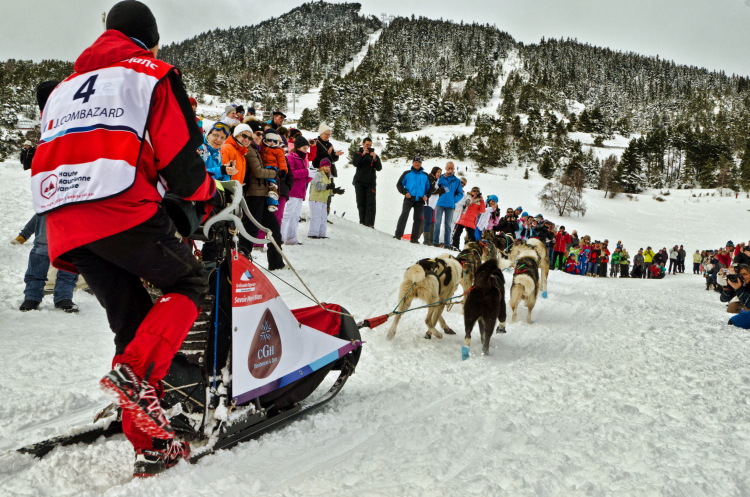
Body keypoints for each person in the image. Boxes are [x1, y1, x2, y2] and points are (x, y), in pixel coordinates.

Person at [31, 1, 222, 476]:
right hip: (118, 207)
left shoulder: (63, 88)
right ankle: (136, 374)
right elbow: (181, 157)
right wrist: (207, 194)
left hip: (63, 219)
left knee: (133, 325)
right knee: (190, 285)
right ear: (150, 38)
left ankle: (150, 442)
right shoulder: (152, 73)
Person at [241, 121, 285, 270]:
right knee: (250, 229)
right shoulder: (250, 150)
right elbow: (258, 172)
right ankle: (242, 262)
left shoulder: (257, 149)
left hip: (262, 193)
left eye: (262, 134)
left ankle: (276, 263)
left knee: (273, 228)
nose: (261, 136)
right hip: (254, 194)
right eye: (258, 134)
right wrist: (275, 172)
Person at [281, 134, 313, 245]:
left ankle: (291, 238)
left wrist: (311, 174)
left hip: (300, 192)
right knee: (287, 214)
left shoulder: (303, 160)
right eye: (304, 148)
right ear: (298, 147)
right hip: (292, 191)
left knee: (295, 216)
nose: (306, 151)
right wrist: (307, 172)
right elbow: (292, 174)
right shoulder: (291, 157)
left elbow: (305, 179)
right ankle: (280, 237)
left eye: (307, 148)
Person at [394, 156, 430, 243]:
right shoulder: (407, 173)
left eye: (419, 162)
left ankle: (414, 238)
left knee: (417, 219)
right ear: (413, 163)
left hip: (420, 200)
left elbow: (429, 188)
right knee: (404, 215)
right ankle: (398, 234)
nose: (417, 164)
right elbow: (399, 184)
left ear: (421, 164)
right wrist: (405, 192)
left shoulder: (425, 175)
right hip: (409, 198)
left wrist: (426, 195)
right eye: (415, 162)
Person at [312, 123, 343, 217]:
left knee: (330, 189)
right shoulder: (315, 143)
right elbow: (314, 157)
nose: (328, 136)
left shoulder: (329, 144)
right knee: (320, 189)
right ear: (321, 133)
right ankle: (318, 212)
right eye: (326, 134)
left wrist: (335, 155)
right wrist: (326, 153)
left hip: (329, 171)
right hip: (319, 170)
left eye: (329, 135)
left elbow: (332, 159)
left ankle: (326, 211)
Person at [309, 159, 345, 239]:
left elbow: (327, 191)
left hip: (324, 200)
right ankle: (313, 233)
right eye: (325, 166)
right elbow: (317, 186)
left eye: (329, 167)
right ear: (321, 166)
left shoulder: (329, 177)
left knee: (323, 218)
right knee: (316, 217)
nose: (327, 168)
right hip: (316, 199)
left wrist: (334, 191)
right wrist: (327, 186)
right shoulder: (317, 174)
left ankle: (322, 234)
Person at [352, 137, 382, 228]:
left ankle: (370, 223)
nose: (368, 146)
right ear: (363, 144)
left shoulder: (374, 155)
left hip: (370, 182)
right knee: (361, 202)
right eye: (367, 144)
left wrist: (375, 158)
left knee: (371, 203)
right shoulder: (358, 153)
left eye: (370, 145)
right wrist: (363, 154)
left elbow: (379, 168)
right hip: (359, 181)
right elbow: (355, 163)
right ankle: (362, 222)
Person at [432, 162, 463, 248]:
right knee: (437, 222)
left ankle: (447, 244)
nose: (450, 170)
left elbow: (460, 193)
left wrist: (454, 200)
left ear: (453, 169)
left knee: (448, 225)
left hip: (450, 205)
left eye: (451, 168)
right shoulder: (441, 177)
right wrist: (444, 176)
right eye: (448, 168)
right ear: (445, 168)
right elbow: (437, 185)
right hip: (439, 203)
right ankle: (435, 242)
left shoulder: (457, 181)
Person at [260, 129, 288, 212]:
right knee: (268, 189)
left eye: (274, 141)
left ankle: (273, 203)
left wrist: (283, 170)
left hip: (272, 168)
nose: (272, 143)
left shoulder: (278, 151)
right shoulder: (261, 147)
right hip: (262, 168)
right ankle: (272, 203)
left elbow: (282, 161)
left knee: (272, 186)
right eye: (269, 140)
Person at [421, 166, 443, 245]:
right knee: (427, 221)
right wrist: (441, 190)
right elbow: (432, 190)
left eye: (440, 172)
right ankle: (426, 240)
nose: (439, 174)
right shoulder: (431, 179)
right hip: (427, 203)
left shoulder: (436, 180)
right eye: (437, 172)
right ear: (434, 172)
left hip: (432, 204)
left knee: (429, 221)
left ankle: (427, 240)